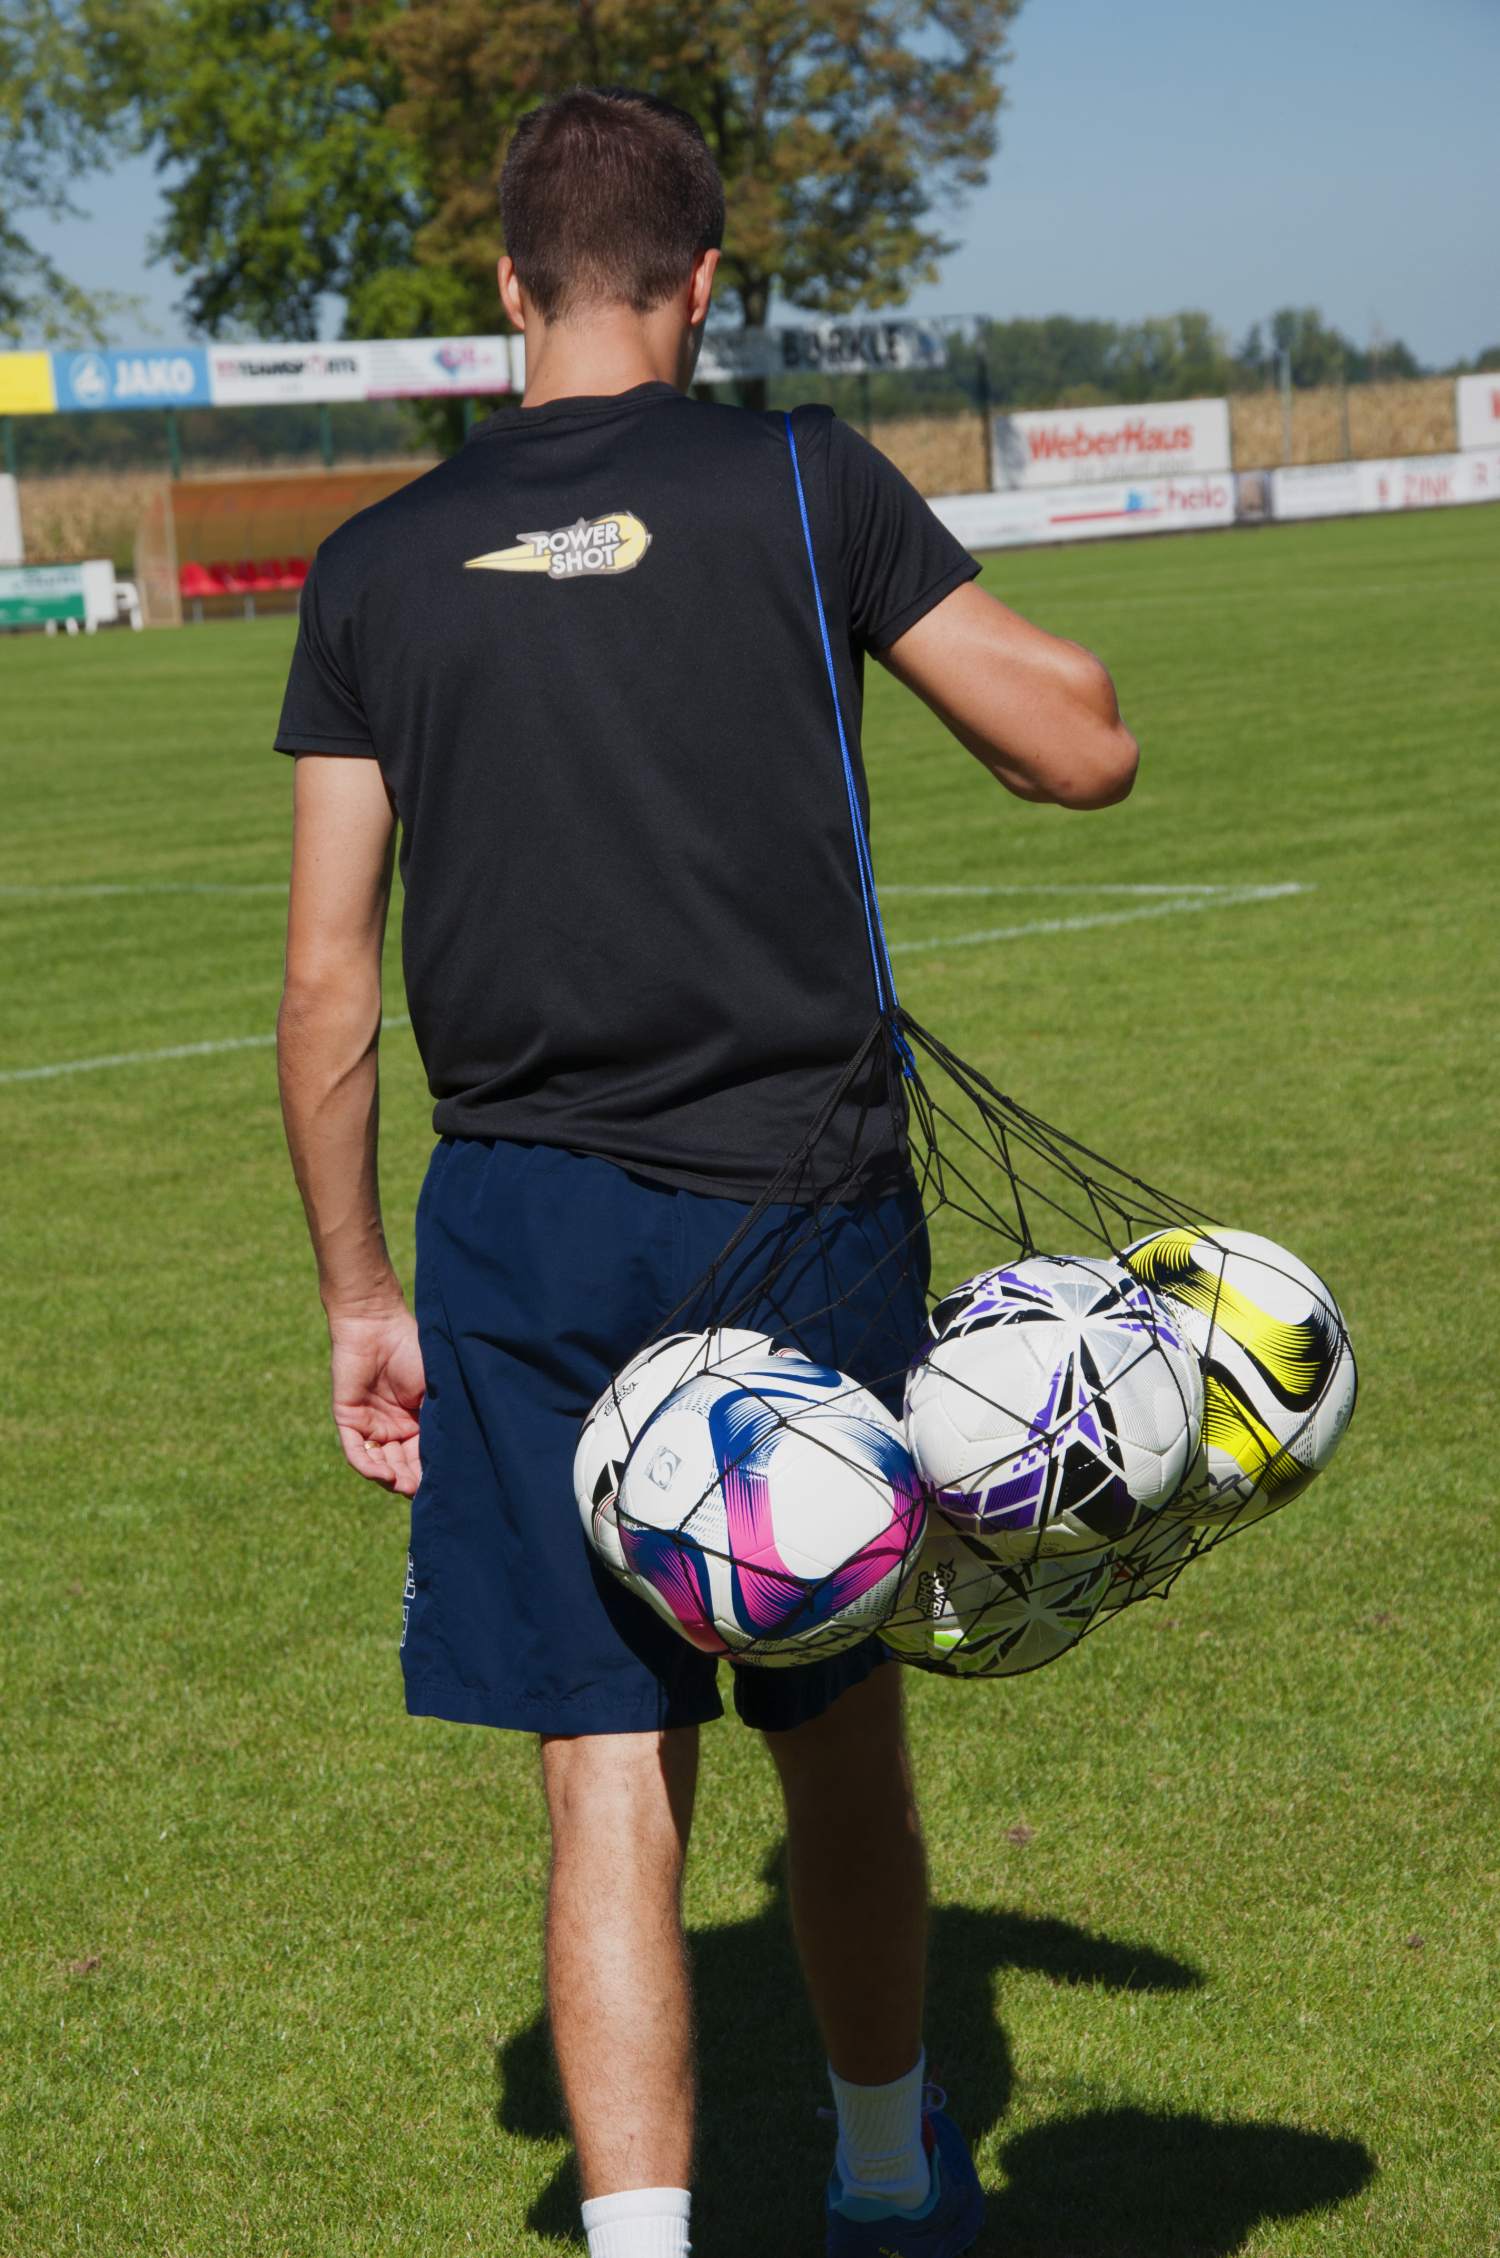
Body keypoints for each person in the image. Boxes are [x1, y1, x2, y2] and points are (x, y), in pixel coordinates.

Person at [275, 85, 1137, 2258]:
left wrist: (358, 1294)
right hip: (804, 1204)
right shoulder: (798, 479)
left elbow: (323, 986)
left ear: (503, 289)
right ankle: (876, 2182)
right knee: (830, 1731)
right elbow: (1078, 745)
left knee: (601, 1774)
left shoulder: (378, 564)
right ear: (704, 283)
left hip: (524, 1231)